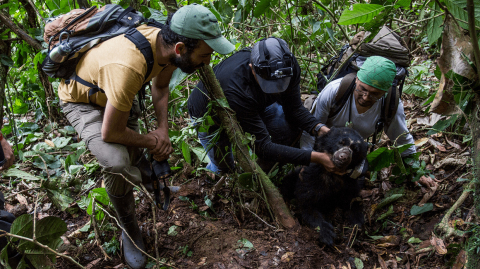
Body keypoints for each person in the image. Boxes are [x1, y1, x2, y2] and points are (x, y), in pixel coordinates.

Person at [57, 4, 235, 269]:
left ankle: (149, 182)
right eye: (205, 54)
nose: (207, 62)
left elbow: (161, 85)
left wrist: (162, 130)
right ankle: (129, 228)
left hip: (114, 93)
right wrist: (153, 140)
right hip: (84, 100)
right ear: (181, 49)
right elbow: (111, 131)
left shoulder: (166, 45)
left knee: (133, 145)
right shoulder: (127, 65)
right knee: (117, 162)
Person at [188, 37, 339, 175]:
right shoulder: (236, 86)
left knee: (285, 128)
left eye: (281, 84)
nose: (276, 90)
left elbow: (294, 109)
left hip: (256, 104)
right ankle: (212, 176)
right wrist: (318, 158)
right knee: (224, 168)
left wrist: (320, 129)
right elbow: (264, 147)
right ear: (252, 68)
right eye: (270, 85)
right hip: (209, 115)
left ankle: (263, 172)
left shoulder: (290, 68)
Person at [300, 56, 416, 157]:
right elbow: (312, 129)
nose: (365, 97)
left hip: (355, 152)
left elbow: (401, 138)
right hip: (324, 146)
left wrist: (415, 170)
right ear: (356, 79)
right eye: (362, 89)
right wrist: (307, 162)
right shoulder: (334, 91)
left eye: (375, 94)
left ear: (385, 91)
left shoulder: (390, 103)